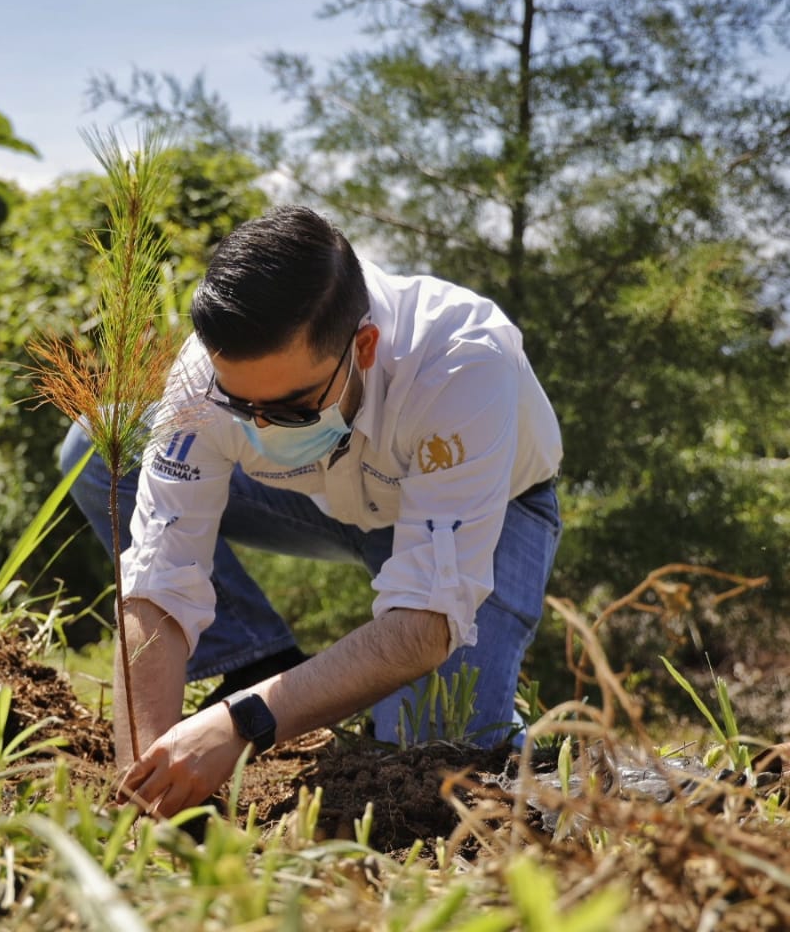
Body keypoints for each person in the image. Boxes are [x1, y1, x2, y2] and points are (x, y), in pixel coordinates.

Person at [59, 205, 562, 817]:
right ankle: (256, 661)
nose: (263, 425)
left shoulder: (462, 358)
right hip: (323, 499)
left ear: (365, 347)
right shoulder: (205, 374)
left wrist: (245, 721)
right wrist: (142, 778)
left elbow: (425, 625)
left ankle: (523, 734)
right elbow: (159, 576)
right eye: (242, 407)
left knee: (431, 758)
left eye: (294, 407)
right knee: (100, 450)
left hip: (484, 511)